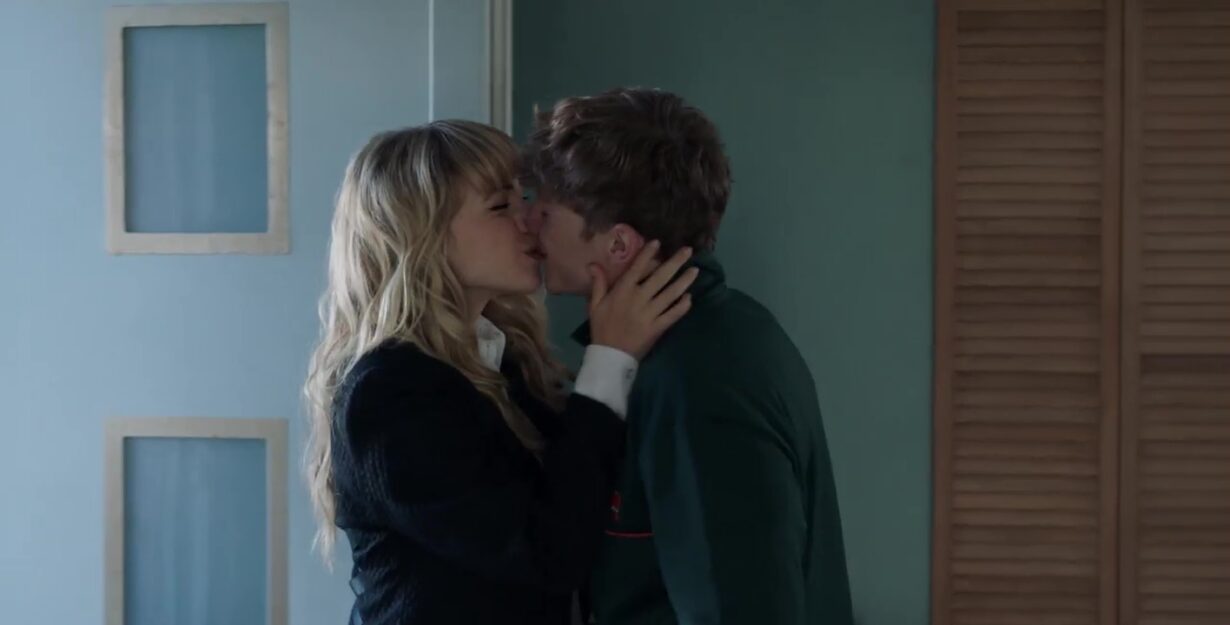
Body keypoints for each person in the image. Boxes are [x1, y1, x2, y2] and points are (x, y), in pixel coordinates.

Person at [303, 119, 697, 625]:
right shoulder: (387, 395)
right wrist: (610, 357)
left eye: (523, 197)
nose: (529, 220)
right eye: (499, 206)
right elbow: (547, 551)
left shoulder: (500, 358)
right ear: (423, 237)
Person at [523, 88, 855, 625]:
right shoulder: (717, 335)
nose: (529, 224)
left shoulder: (698, 376)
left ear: (618, 245)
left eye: (544, 209)